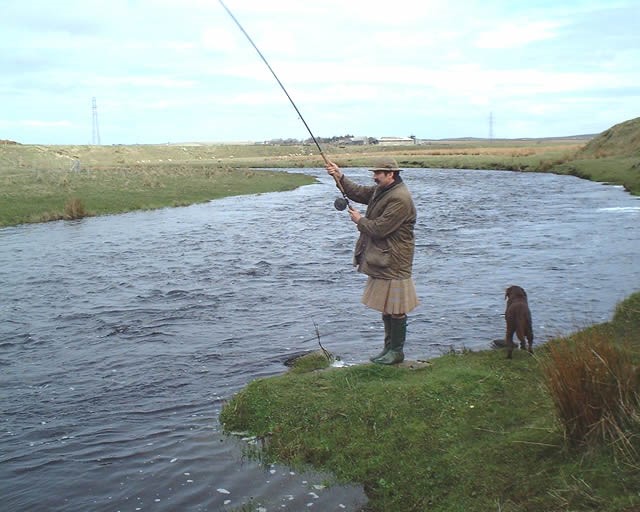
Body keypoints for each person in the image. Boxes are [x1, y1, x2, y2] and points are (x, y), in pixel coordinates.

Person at [326, 157, 419, 364]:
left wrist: (360, 220)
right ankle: (388, 349)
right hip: (385, 257)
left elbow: (379, 229)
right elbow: (359, 192)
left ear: (391, 174)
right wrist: (339, 176)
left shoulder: (400, 199)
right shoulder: (383, 190)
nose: (374, 177)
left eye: (377, 173)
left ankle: (396, 352)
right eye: (374, 173)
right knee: (388, 307)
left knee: (397, 308)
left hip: (395, 259)